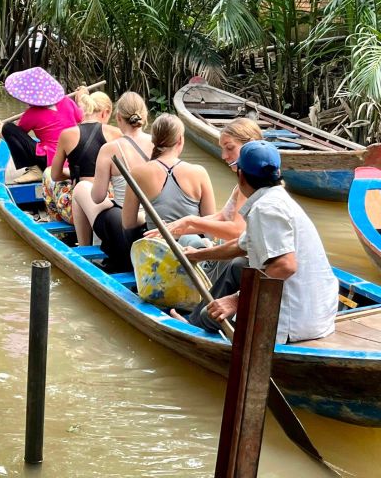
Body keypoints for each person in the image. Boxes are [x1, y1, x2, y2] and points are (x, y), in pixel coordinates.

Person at [176, 140, 339, 345]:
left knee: (216, 314)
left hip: (294, 323)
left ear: (241, 176)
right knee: (238, 266)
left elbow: (285, 265)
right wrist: (198, 255)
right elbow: (240, 245)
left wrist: (237, 299)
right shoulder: (276, 198)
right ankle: (195, 323)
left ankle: (198, 327)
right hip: (318, 311)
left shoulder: (265, 208)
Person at [144, 118, 263, 279]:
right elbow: (222, 216)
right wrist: (176, 227)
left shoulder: (251, 183)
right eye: (222, 149)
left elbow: (237, 230)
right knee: (187, 238)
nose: (224, 156)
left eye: (229, 148)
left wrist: (191, 221)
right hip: (225, 254)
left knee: (189, 246)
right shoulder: (242, 182)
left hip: (238, 261)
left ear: (250, 146)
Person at [71, 92, 153, 268]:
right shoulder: (159, 144)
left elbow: (97, 197)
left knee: (80, 188)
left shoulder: (110, 149)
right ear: (145, 116)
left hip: (124, 224)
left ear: (118, 117)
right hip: (153, 221)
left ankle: (84, 252)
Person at [122, 113, 216, 247]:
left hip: (157, 250)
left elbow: (128, 223)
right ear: (180, 140)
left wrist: (147, 216)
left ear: (153, 140)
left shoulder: (138, 173)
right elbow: (211, 226)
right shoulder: (199, 172)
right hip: (192, 250)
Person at [0, 67, 84, 184]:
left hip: (51, 162)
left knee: (9, 128)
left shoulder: (32, 114)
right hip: (76, 158)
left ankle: (35, 169)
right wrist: (81, 98)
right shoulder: (67, 101)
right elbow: (81, 117)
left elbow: (16, 138)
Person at [43, 91, 122, 223]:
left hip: (76, 210)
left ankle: (55, 221)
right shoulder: (116, 133)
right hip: (109, 203)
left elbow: (55, 175)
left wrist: (74, 175)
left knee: (47, 173)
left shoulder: (67, 134)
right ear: (105, 112)